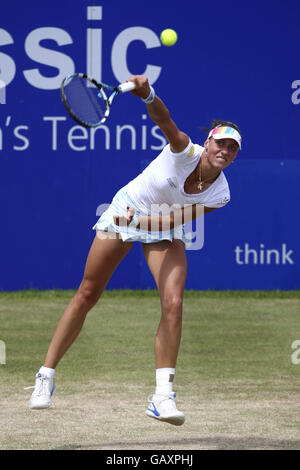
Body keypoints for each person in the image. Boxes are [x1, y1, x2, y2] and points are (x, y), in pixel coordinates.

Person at [28, 75, 242, 426]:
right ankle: (45, 376)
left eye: (233, 148)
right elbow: (164, 119)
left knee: (173, 303)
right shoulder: (184, 149)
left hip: (161, 225)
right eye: (221, 144)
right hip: (126, 207)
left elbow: (171, 220)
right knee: (87, 292)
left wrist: (139, 224)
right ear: (208, 143)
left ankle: (162, 396)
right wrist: (148, 94)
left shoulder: (220, 194)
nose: (225, 151)